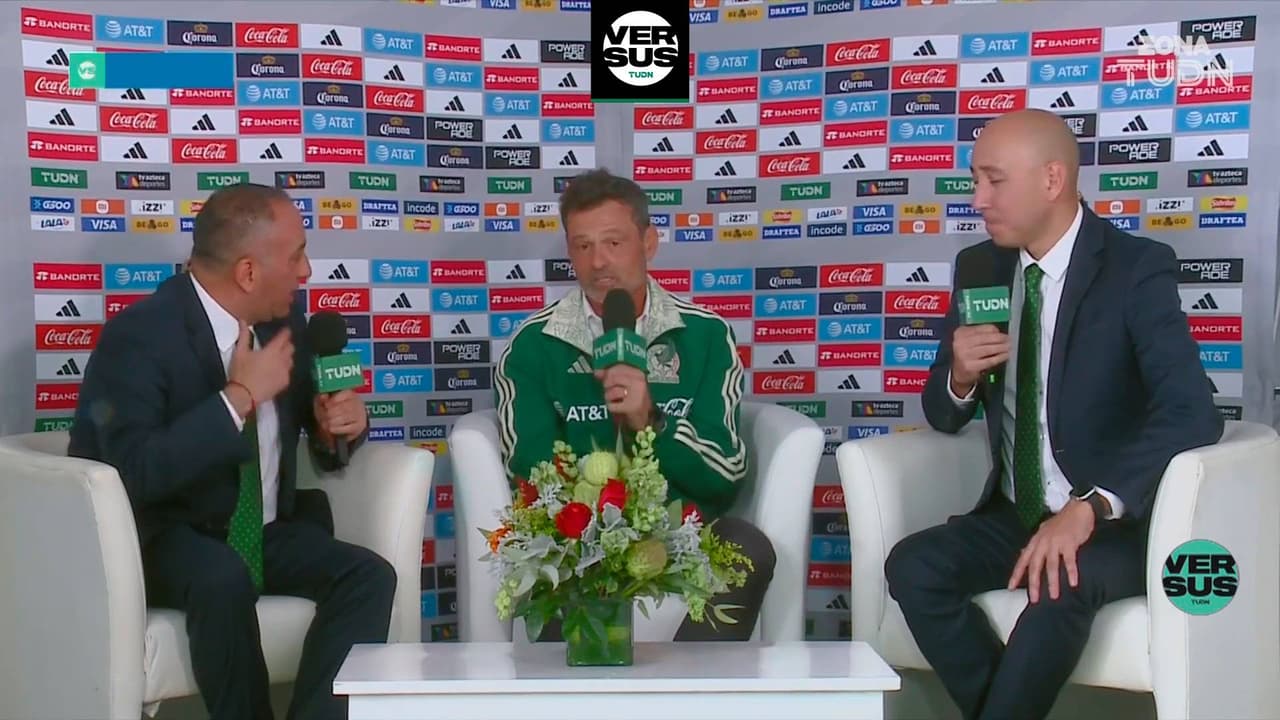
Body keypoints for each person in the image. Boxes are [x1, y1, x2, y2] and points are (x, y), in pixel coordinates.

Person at [885, 109, 1223, 720]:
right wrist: (960, 375)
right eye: (974, 181)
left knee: (1059, 583)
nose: (978, 199)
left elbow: (1192, 412)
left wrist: (1091, 506)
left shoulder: (1134, 268)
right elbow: (943, 414)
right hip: (1015, 513)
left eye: (994, 181)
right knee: (914, 565)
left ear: (1052, 179)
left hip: (1113, 525)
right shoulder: (980, 266)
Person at [69, 183, 394, 720]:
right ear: (247, 272)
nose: (307, 271)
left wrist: (339, 426)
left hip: (262, 531)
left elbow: (316, 432)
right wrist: (237, 398)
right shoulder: (139, 336)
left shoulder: (284, 323)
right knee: (222, 577)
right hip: (167, 534)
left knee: (368, 575)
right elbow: (133, 473)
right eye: (296, 256)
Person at [494, 168, 775, 640]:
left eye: (614, 242)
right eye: (583, 246)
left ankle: (696, 683)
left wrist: (651, 423)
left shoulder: (705, 335)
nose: (598, 261)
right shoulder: (532, 345)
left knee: (747, 548)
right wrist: (603, 523)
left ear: (648, 242)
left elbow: (725, 474)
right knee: (552, 561)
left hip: (684, 533)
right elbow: (530, 475)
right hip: (580, 540)